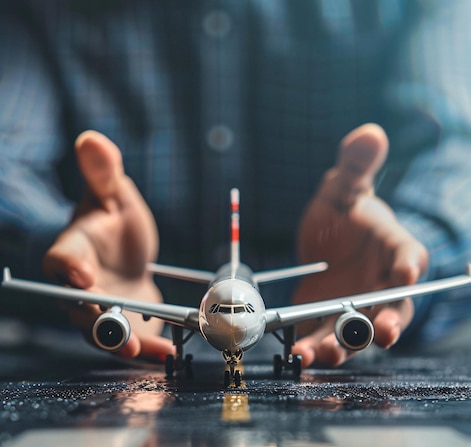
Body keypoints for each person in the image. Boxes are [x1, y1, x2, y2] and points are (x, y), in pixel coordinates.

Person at [0, 1, 470, 367]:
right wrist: (64, 253)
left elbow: (456, 146)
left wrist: (407, 258)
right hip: (77, 356)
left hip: (359, 346)